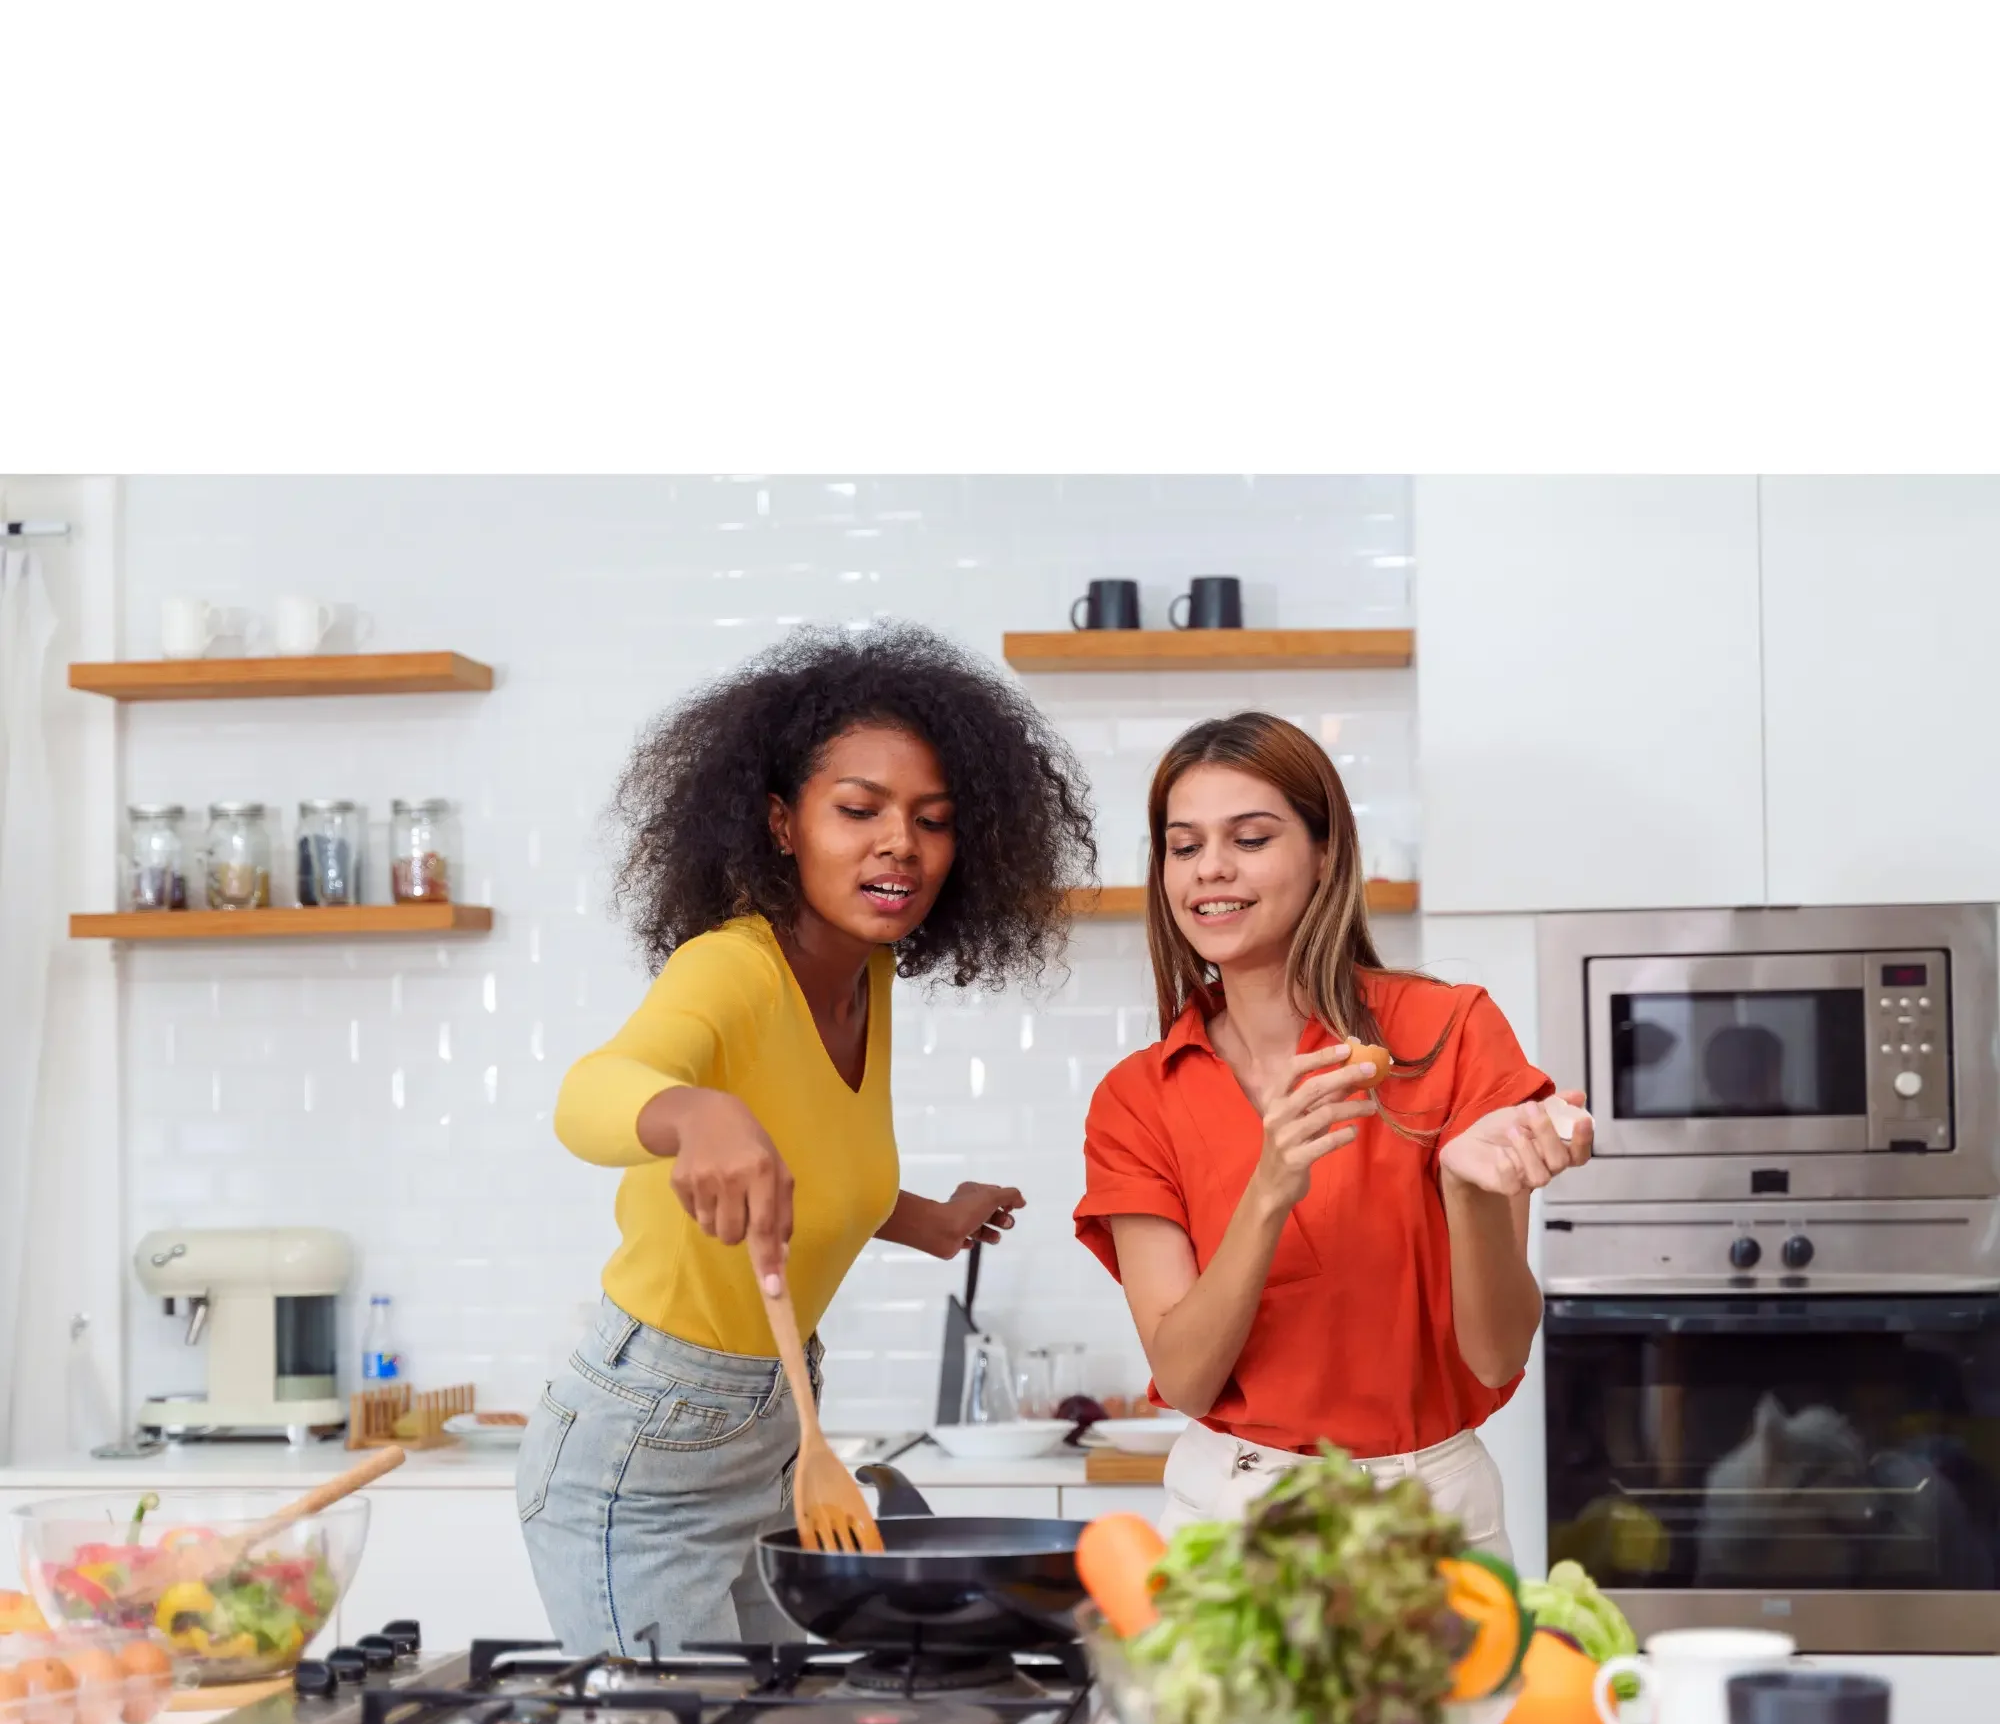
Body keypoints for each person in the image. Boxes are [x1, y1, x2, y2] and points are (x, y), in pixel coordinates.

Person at [520, 623, 1094, 1653]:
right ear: (781, 824)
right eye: (858, 810)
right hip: (647, 1448)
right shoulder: (732, 966)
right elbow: (589, 1095)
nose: (900, 845)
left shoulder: (862, 976)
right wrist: (690, 1112)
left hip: (771, 1428)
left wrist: (923, 1220)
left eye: (932, 819)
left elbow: (803, 1176)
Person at [1073, 711, 1591, 1553]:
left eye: (1250, 838)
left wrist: (1466, 1192)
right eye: (1183, 844)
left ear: (1324, 855)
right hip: (1237, 1516)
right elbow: (1184, 1376)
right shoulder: (1138, 1098)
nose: (1211, 870)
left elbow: (1495, 1358)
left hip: (1432, 1515)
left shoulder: (1448, 1032)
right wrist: (1269, 1190)